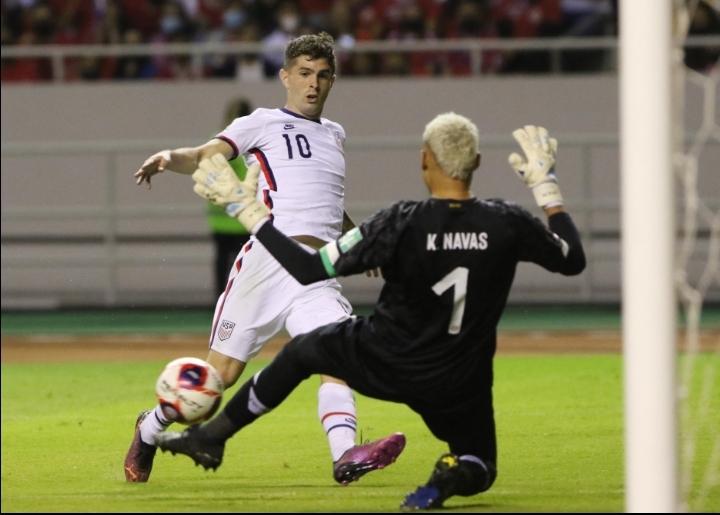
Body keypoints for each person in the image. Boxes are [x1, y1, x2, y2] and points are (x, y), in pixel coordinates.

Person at [154, 115, 586, 509]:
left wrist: (251, 214)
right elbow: (572, 259)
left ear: (425, 161)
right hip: (460, 376)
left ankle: (212, 436)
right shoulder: (506, 221)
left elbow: (307, 268)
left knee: (305, 351)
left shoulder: (399, 222)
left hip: (386, 356)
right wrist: (546, 188)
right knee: (480, 462)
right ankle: (454, 472)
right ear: (475, 162)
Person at [125, 32, 400, 486]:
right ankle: (150, 429)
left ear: (333, 80)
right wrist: (168, 157)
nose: (313, 84)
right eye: (305, 74)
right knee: (220, 377)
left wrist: (353, 235)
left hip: (318, 269)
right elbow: (203, 156)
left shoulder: (335, 135)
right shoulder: (263, 122)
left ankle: (345, 455)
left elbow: (324, 198)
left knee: (337, 357)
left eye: (323, 75)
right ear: (285, 76)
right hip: (266, 264)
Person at [208, 97, 253, 299]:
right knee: (239, 262)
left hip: (227, 213)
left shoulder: (217, 142)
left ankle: (223, 301)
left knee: (226, 261)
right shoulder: (252, 144)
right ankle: (235, 301)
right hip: (240, 213)